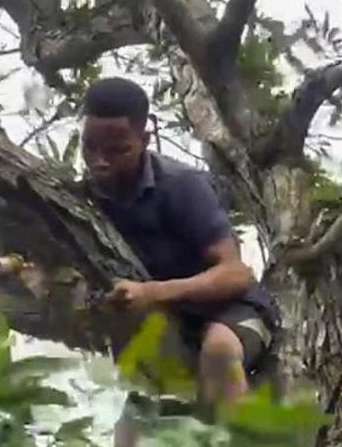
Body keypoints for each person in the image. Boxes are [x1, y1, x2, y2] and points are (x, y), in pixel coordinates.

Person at [77, 77, 280, 445]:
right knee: (131, 431)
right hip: (165, 327)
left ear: (144, 140)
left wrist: (153, 292)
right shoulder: (83, 197)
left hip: (229, 312)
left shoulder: (181, 185)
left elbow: (236, 275)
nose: (100, 161)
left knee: (218, 352)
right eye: (89, 146)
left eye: (117, 150)